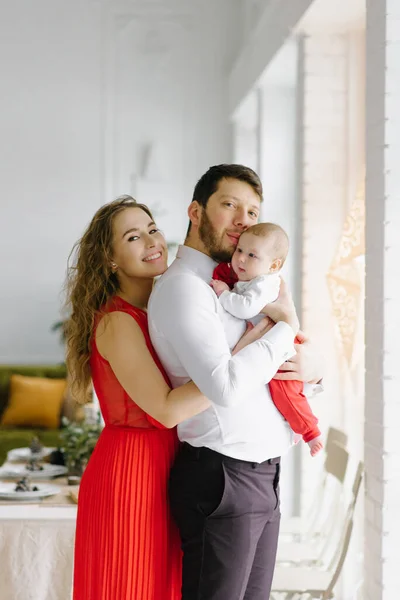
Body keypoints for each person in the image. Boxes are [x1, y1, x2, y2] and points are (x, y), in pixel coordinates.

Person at [148, 164, 323, 600]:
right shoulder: (186, 288)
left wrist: (311, 369)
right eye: (230, 205)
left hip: (263, 474)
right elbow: (223, 388)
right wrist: (286, 327)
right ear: (195, 211)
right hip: (223, 475)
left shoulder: (246, 285)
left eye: (253, 210)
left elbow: (286, 369)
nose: (244, 219)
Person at [66, 197, 215, 600]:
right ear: (110, 260)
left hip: (166, 464)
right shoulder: (117, 321)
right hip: (131, 472)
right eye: (133, 237)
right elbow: (166, 410)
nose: (152, 241)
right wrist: (240, 370)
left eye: (152, 229)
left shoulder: (157, 311)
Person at [211, 222, 323, 456]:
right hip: (275, 340)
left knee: (286, 392)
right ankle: (295, 427)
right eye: (239, 250)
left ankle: (310, 432)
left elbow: (244, 308)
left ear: (273, 265)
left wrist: (223, 293)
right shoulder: (252, 276)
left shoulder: (264, 283)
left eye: (252, 255)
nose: (241, 259)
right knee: (283, 393)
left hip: (284, 346)